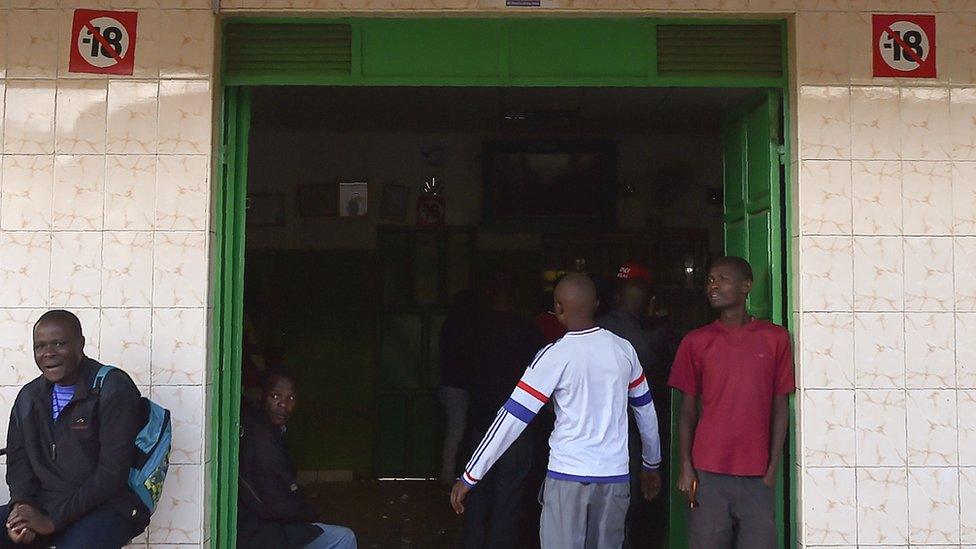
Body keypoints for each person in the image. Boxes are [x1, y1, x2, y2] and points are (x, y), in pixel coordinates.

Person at [451, 274, 662, 549]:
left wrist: (471, 475)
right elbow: (645, 410)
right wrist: (651, 463)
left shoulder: (554, 355)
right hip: (614, 477)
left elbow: (512, 418)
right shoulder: (624, 350)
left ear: (559, 309)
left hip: (567, 477)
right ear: (596, 304)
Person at [668, 256, 794, 549]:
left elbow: (780, 408)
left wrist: (772, 469)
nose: (713, 285)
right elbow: (687, 411)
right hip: (708, 473)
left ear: (746, 287)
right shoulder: (696, 342)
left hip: (757, 475)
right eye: (711, 279)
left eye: (723, 279)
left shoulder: (775, 339)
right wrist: (686, 466)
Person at [1, 310, 148, 548]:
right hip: (46, 505)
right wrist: (22, 512)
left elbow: (112, 473)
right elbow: (19, 464)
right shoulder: (29, 397)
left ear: (81, 344)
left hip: (108, 506)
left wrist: (51, 521)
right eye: (40, 346)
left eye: (59, 344)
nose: (48, 353)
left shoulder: (112, 387)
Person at [460, 273, 543, 549]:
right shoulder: (528, 330)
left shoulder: (475, 328)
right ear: (515, 295)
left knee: (476, 492)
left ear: (488, 293)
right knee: (509, 498)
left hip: (483, 421)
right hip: (518, 426)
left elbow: (464, 372)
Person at [597, 264, 673, 549]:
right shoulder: (654, 336)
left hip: (596, 437)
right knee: (626, 507)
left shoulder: (593, 327)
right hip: (634, 435)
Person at [238, 371, 357, 549]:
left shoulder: (264, 427)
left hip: (261, 526)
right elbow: (282, 507)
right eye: (275, 396)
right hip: (260, 533)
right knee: (345, 539)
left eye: (291, 398)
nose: (283, 405)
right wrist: (310, 514)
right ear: (262, 396)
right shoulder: (263, 441)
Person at [438, 289, 484, 484]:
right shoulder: (464, 327)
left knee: (456, 430)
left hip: (451, 384)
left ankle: (449, 473)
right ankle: (448, 474)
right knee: (457, 430)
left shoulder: (451, 324)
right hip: (457, 385)